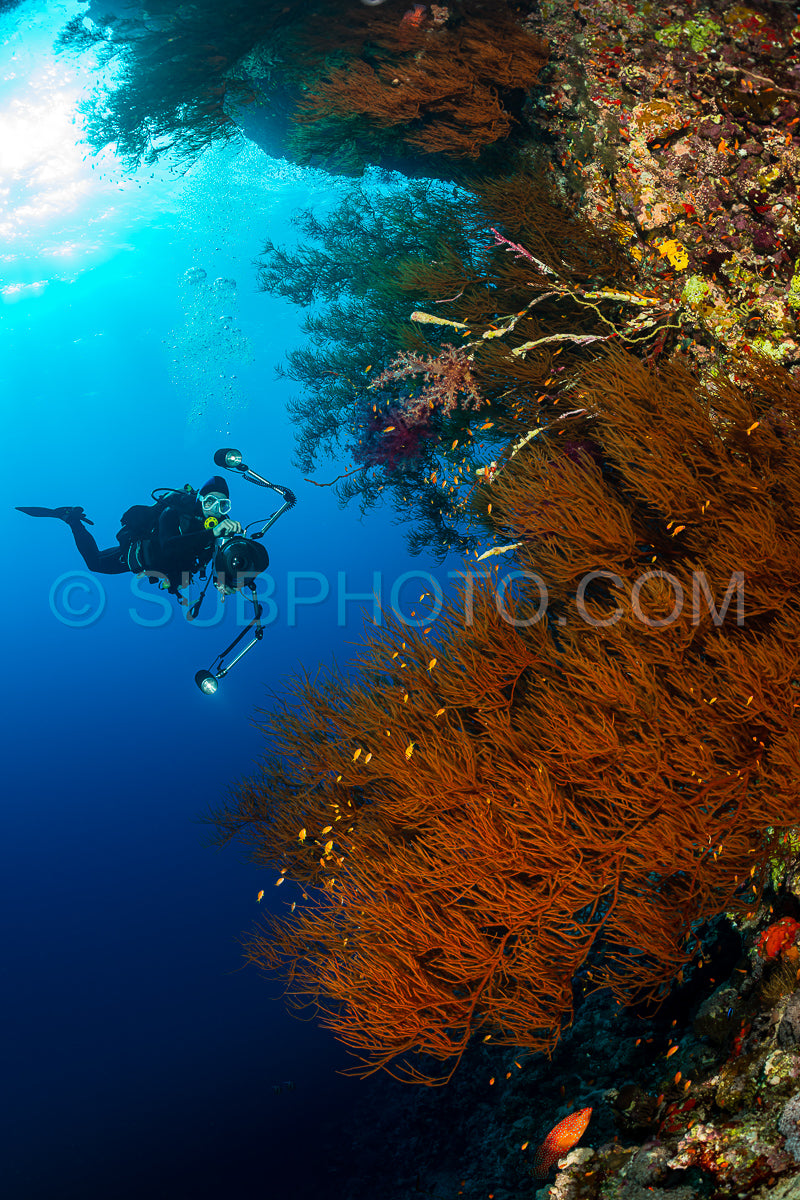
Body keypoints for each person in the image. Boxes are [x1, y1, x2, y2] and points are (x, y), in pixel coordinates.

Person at [17, 475, 243, 600]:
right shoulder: (173, 512)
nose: (215, 509)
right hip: (144, 554)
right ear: (199, 499)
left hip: (170, 568)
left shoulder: (220, 531)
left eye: (223, 504)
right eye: (209, 501)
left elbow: (218, 559)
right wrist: (212, 532)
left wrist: (224, 581)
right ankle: (71, 520)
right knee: (95, 563)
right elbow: (168, 545)